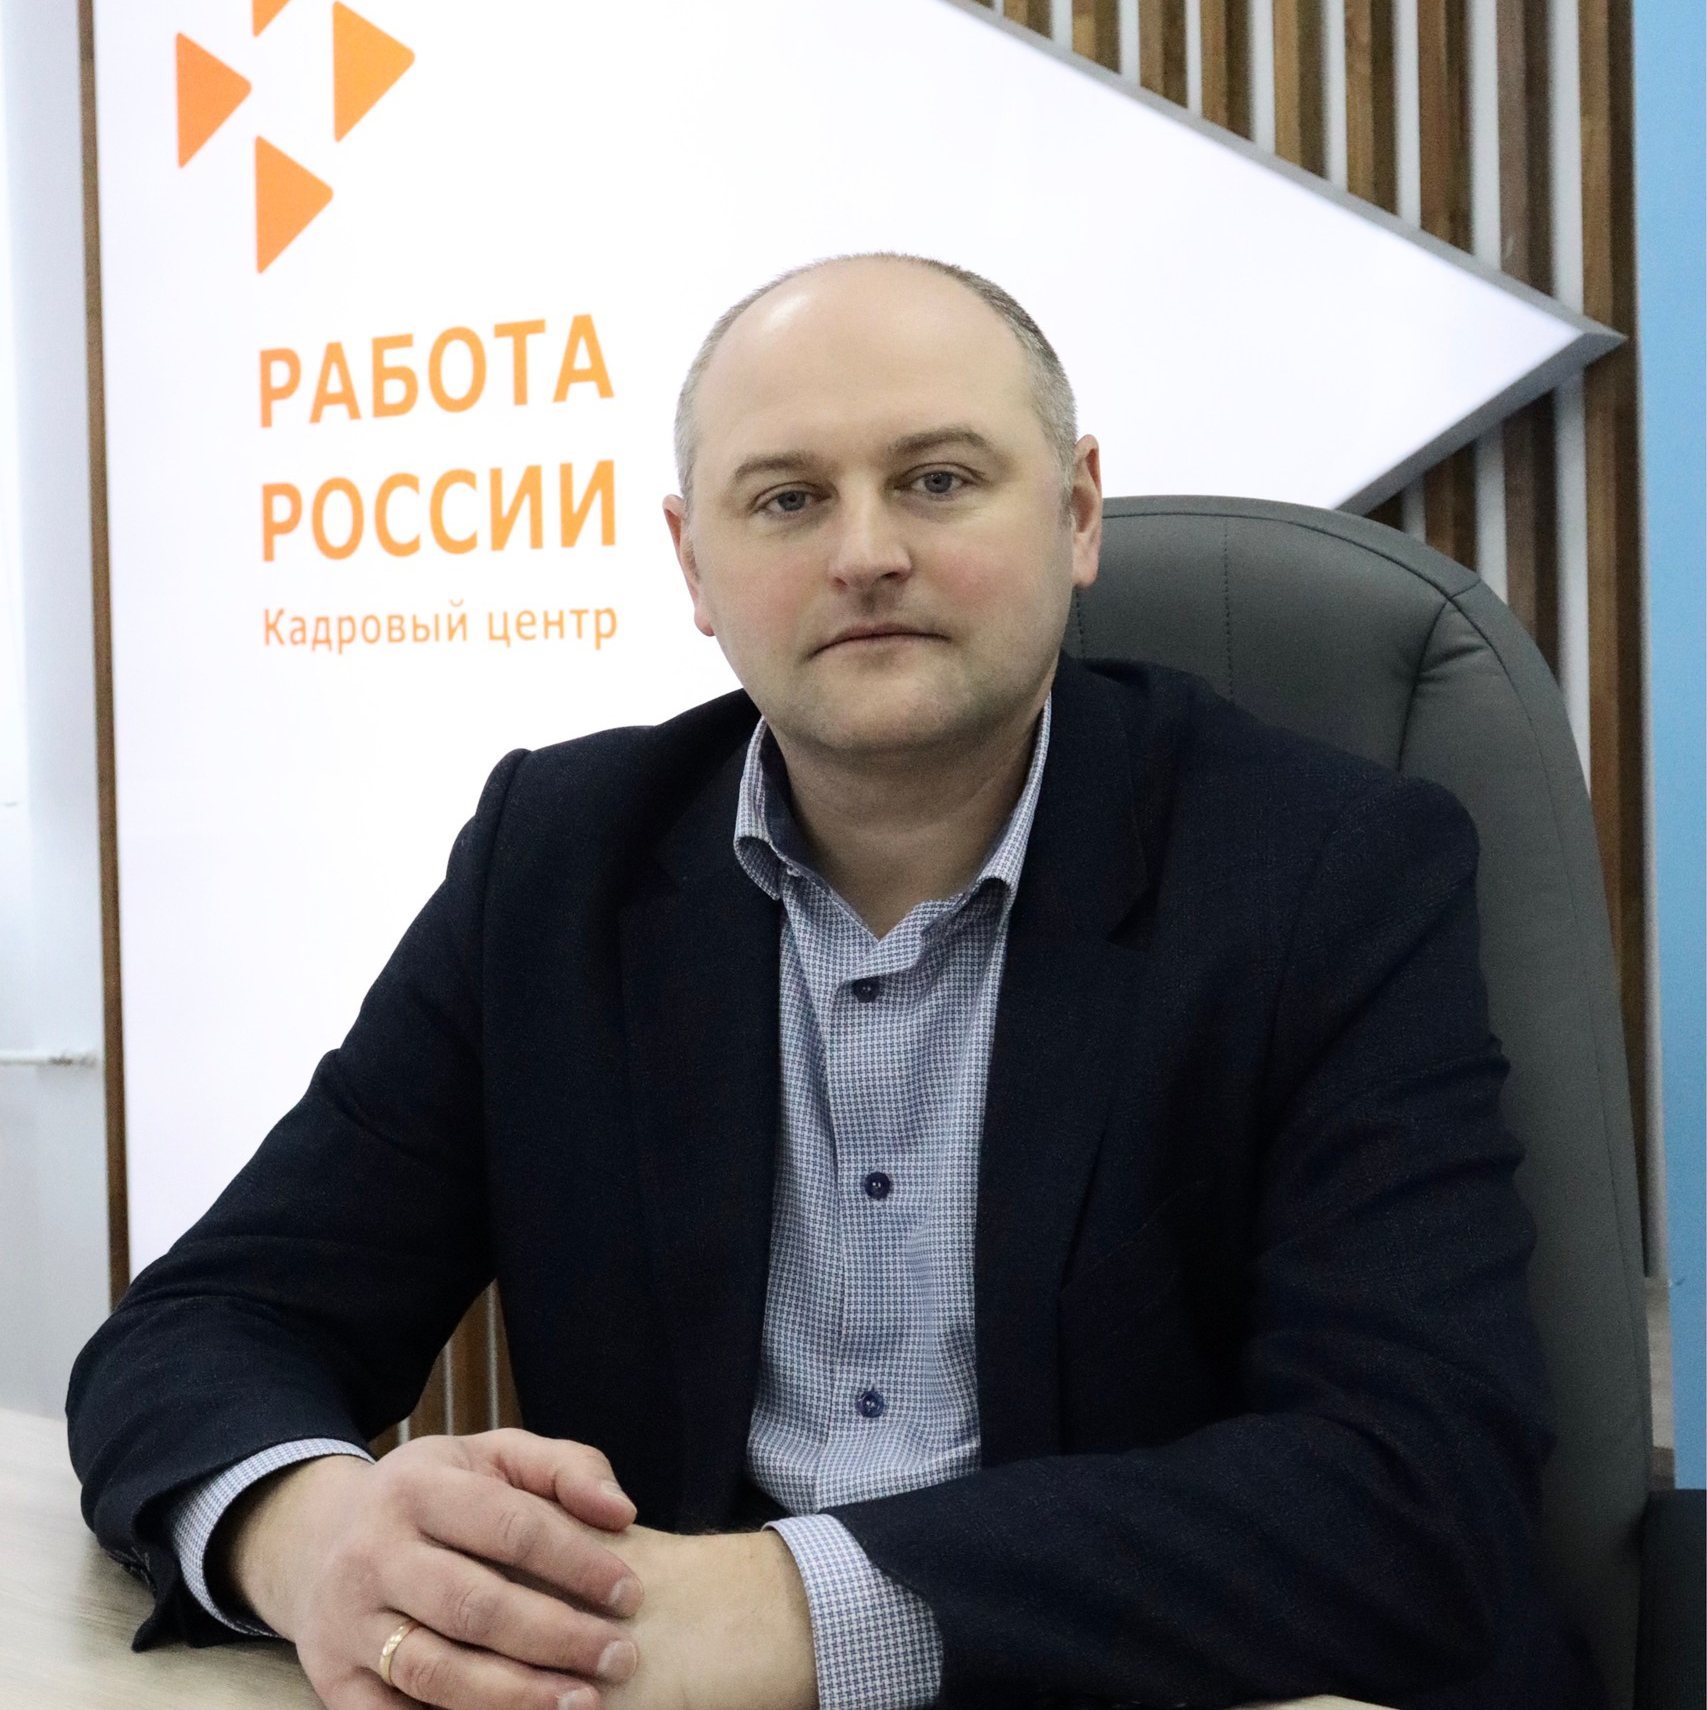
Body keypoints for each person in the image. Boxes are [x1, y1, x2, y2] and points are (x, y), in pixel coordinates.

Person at [67, 253, 1604, 1710]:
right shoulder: (556, 859)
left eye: (936, 479)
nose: (864, 550)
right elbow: (210, 1321)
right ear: (693, 563)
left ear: (1076, 513)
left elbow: (1417, 1486)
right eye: (788, 498)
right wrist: (315, 1535)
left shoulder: (1326, 866)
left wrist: (788, 1608)